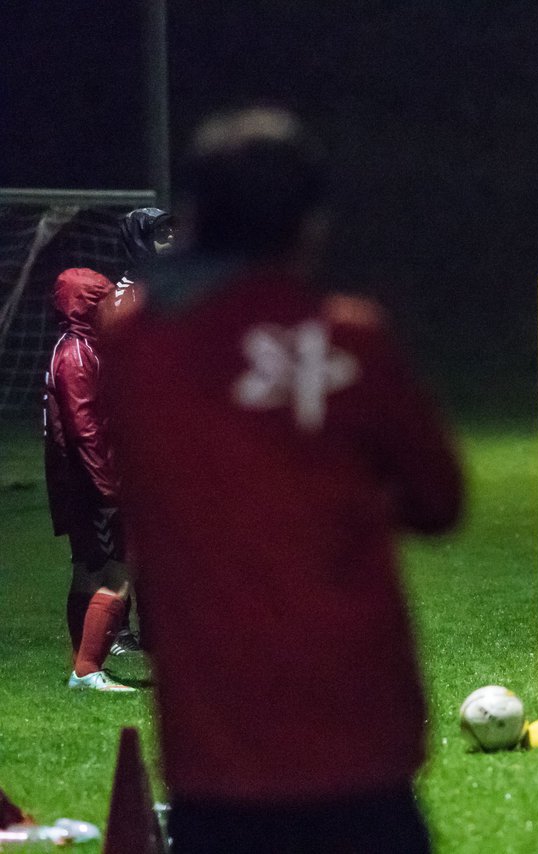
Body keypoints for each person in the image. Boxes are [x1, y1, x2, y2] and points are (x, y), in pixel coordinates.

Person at [102, 107, 464, 853]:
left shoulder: (136, 342)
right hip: (361, 734)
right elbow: (439, 502)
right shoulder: (352, 335)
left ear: (196, 217)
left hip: (217, 752)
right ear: (312, 224)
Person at [43, 265, 137, 692]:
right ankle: (87, 669)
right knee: (118, 573)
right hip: (91, 483)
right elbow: (84, 429)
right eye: (102, 302)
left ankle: (82, 666)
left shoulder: (74, 346)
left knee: (87, 570)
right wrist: (109, 489)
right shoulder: (78, 354)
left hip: (77, 482)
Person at [99, 206, 175, 656]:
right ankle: (120, 633)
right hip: (134, 440)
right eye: (159, 234)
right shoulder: (121, 299)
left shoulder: (167, 291)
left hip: (170, 436)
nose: (169, 241)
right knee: (133, 544)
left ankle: (160, 631)